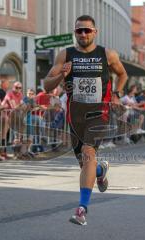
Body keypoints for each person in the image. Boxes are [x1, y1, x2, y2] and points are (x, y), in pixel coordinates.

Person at [44, 15, 128, 225]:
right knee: (86, 164)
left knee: (88, 152)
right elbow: (47, 85)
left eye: (87, 30)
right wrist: (62, 75)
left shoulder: (107, 54)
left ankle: (82, 209)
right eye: (79, 31)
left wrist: (117, 93)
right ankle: (101, 170)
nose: (83, 34)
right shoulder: (65, 55)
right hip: (75, 116)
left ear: (95, 32)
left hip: (100, 113)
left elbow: (123, 74)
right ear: (75, 33)